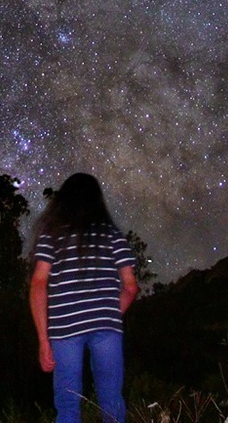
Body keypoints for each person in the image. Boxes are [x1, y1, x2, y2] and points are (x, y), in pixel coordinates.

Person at [30, 172, 138, 423]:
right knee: (112, 402)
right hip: (106, 328)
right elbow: (131, 287)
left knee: (68, 406)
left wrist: (43, 341)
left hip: (65, 327)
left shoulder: (52, 234)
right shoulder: (112, 235)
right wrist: (107, 314)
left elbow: (38, 283)